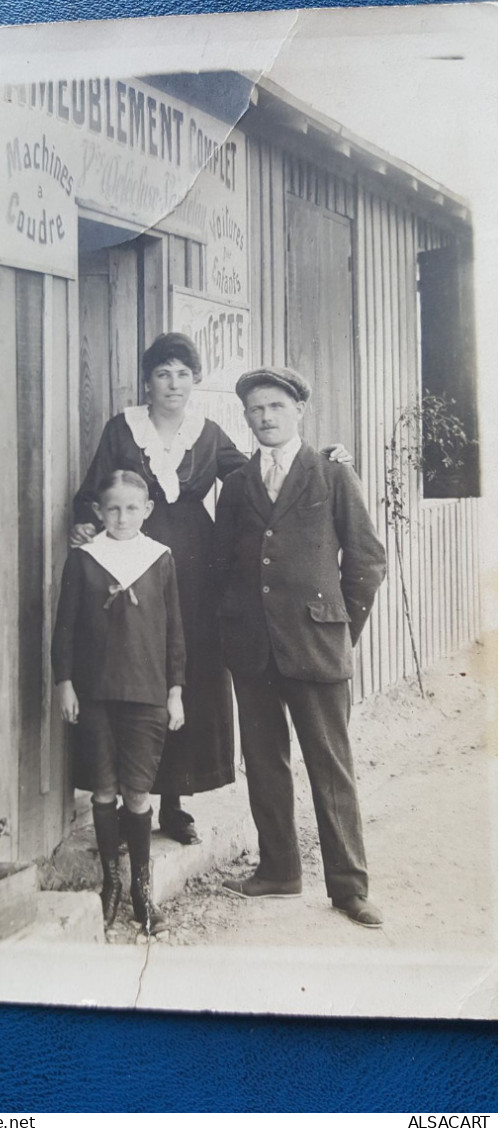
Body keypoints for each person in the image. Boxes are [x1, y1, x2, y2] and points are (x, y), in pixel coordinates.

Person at [71, 332, 352, 845]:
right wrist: (85, 524)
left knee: (185, 669)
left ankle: (174, 802)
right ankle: (120, 797)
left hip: (194, 568)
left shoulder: (208, 431)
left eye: (182, 373)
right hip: (131, 561)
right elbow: (93, 490)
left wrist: (326, 457)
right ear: (148, 381)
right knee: (131, 665)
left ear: (195, 380)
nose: (172, 384)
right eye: (162, 373)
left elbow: (262, 470)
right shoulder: (123, 429)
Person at [214, 367, 387, 927]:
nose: (265, 417)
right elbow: (223, 565)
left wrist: (339, 628)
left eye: (275, 407)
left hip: (316, 644)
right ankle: (279, 870)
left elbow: (367, 561)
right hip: (253, 646)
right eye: (255, 409)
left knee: (330, 766)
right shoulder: (238, 484)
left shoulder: (332, 473)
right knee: (264, 762)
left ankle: (349, 887)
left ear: (298, 412)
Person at [52, 470, 186, 936]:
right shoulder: (85, 560)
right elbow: (65, 626)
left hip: (146, 693)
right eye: (112, 508)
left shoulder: (160, 559)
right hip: (96, 693)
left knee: (137, 792)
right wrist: (64, 683)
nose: (122, 517)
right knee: (103, 790)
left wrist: (175, 691)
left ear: (147, 510)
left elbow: (174, 631)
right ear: (97, 511)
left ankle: (141, 893)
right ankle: (110, 884)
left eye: (132, 508)